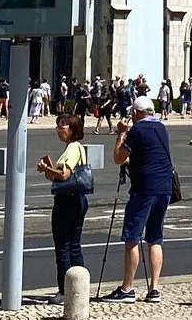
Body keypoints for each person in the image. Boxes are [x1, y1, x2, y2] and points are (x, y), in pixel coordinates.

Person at [105, 95, 176, 303]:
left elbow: (119, 157)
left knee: (132, 237)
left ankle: (127, 288)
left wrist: (121, 133)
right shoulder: (162, 127)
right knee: (155, 238)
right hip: (165, 187)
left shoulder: (137, 130)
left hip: (144, 188)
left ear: (136, 113)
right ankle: (154, 288)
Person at [38, 112, 93, 294]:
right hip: (76, 199)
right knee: (74, 245)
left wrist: (48, 169)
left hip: (67, 202)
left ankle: (65, 291)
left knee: (63, 247)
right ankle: (79, 288)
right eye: (58, 125)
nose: (59, 129)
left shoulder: (72, 148)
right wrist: (49, 170)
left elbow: (64, 175)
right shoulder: (74, 148)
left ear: (73, 129)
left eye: (63, 125)